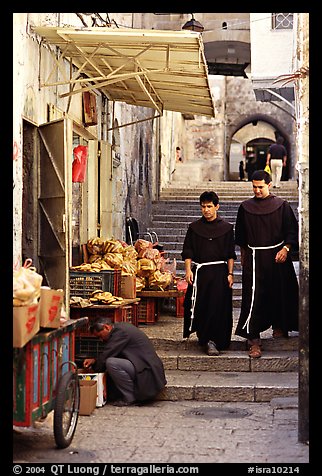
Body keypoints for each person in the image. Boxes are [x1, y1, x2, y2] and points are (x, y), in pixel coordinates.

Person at [234, 170, 299, 358]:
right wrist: (244, 258)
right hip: (255, 258)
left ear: (269, 185)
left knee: (280, 291)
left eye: (260, 187)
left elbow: (291, 231)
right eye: (254, 187)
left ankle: (280, 325)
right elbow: (242, 237)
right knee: (253, 297)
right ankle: (253, 339)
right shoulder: (245, 207)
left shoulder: (282, 206)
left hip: (278, 257)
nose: (257, 190)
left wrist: (286, 249)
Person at [181, 191, 236, 356]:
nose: (206, 210)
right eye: (203, 207)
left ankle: (218, 339)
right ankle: (205, 339)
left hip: (219, 273)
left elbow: (230, 254)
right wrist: (188, 270)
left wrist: (230, 273)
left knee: (218, 306)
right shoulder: (194, 228)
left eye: (209, 206)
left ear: (217, 207)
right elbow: (188, 251)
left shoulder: (226, 228)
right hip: (201, 273)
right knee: (203, 306)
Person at [83, 320, 167, 406]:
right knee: (111, 362)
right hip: (141, 365)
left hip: (147, 370)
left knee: (111, 363)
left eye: (100, 336)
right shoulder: (120, 329)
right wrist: (94, 360)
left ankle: (130, 397)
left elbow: (107, 354)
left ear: (106, 327)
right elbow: (108, 352)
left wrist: (95, 370)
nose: (101, 340)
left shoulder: (121, 333)